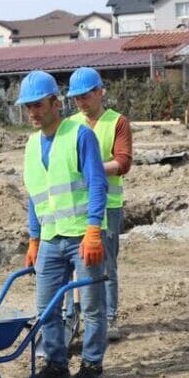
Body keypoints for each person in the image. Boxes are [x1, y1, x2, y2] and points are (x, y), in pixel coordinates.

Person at [18, 70, 109, 378]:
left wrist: (94, 230)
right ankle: (56, 363)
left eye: (38, 104)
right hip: (50, 239)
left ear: (55, 103)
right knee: (46, 307)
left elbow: (98, 184)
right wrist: (33, 238)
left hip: (83, 235)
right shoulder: (30, 146)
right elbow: (34, 195)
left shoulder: (79, 135)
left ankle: (92, 364)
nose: (32, 112)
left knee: (92, 304)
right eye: (27, 106)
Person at [66, 67, 133, 342]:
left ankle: (109, 317)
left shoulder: (116, 122)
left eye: (85, 96)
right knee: (74, 263)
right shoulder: (70, 125)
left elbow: (123, 162)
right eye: (76, 98)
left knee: (106, 263)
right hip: (77, 205)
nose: (81, 102)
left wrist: (92, 168)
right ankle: (72, 317)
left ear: (99, 92)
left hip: (109, 203)